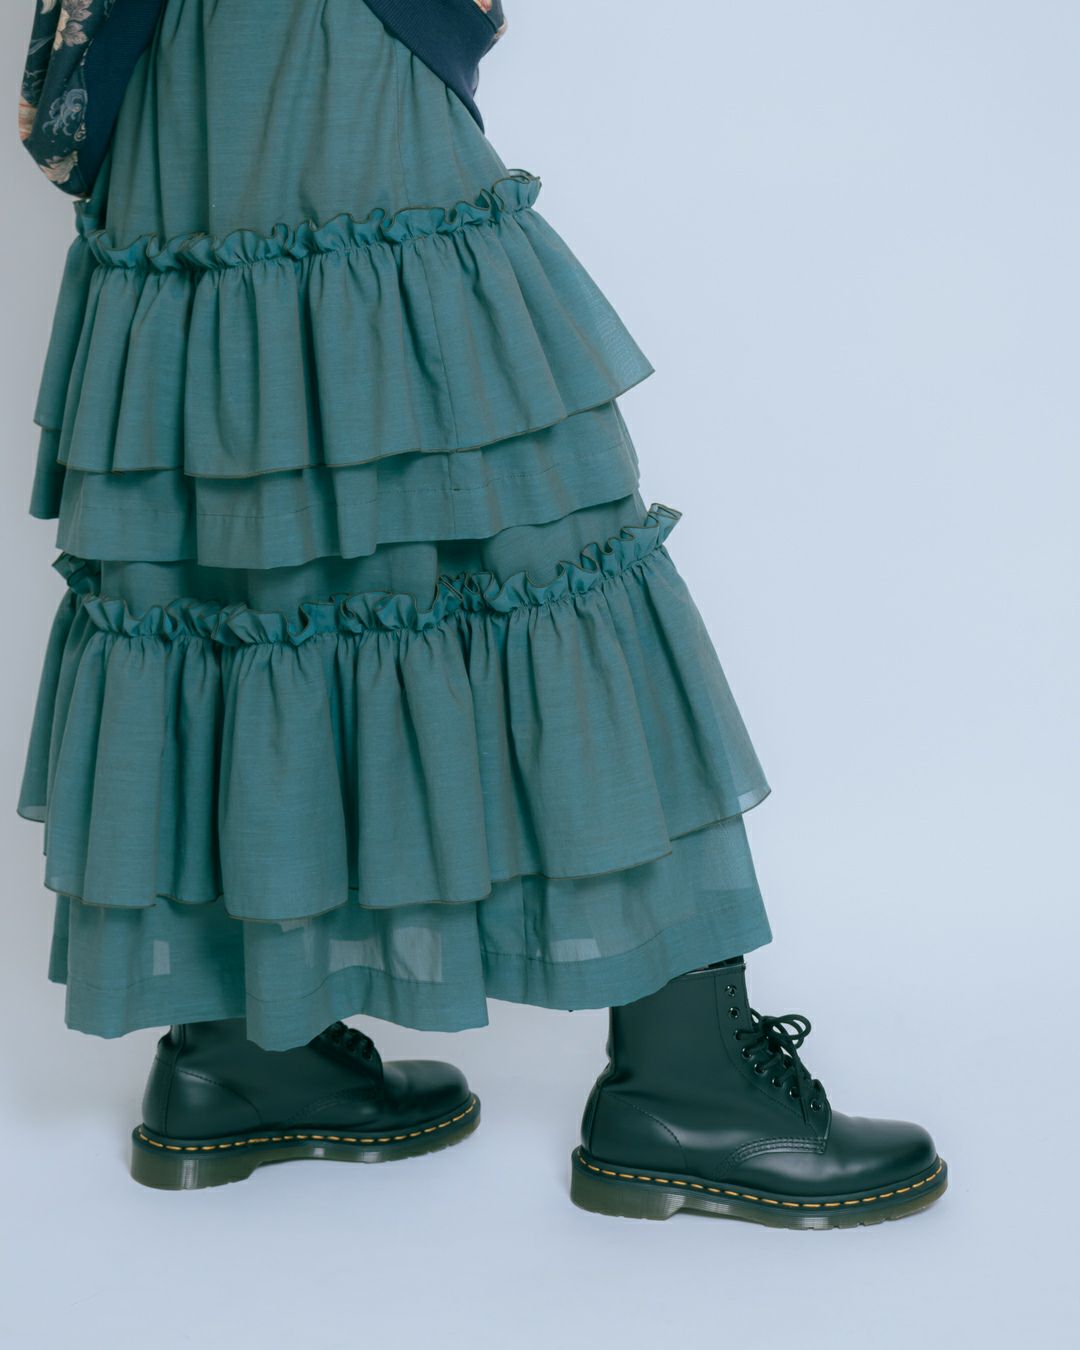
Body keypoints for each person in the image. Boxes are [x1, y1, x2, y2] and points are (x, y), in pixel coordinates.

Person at [16, 0, 946, 1226]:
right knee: (540, 547)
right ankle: (690, 1080)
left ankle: (242, 1050)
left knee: (242, 543)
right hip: (316, 40)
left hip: (174, 78)